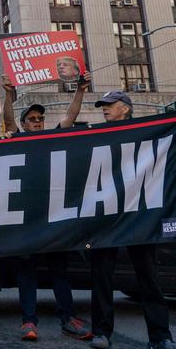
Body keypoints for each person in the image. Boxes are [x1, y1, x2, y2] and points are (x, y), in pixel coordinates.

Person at [1, 72, 93, 342]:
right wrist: (8, 94)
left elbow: (71, 116)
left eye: (40, 119)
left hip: (54, 217)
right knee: (27, 272)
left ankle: (68, 319)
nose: (38, 123)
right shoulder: (16, 139)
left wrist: (80, 90)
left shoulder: (54, 138)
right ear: (24, 124)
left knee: (60, 271)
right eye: (32, 119)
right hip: (28, 220)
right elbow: (7, 118)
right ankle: (28, 321)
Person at [89, 91, 175, 349]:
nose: (104, 109)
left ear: (125, 109)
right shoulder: (96, 136)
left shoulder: (146, 132)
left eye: (109, 105)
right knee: (101, 277)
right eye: (102, 106)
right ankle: (101, 333)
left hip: (140, 216)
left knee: (148, 276)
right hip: (107, 218)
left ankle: (160, 336)